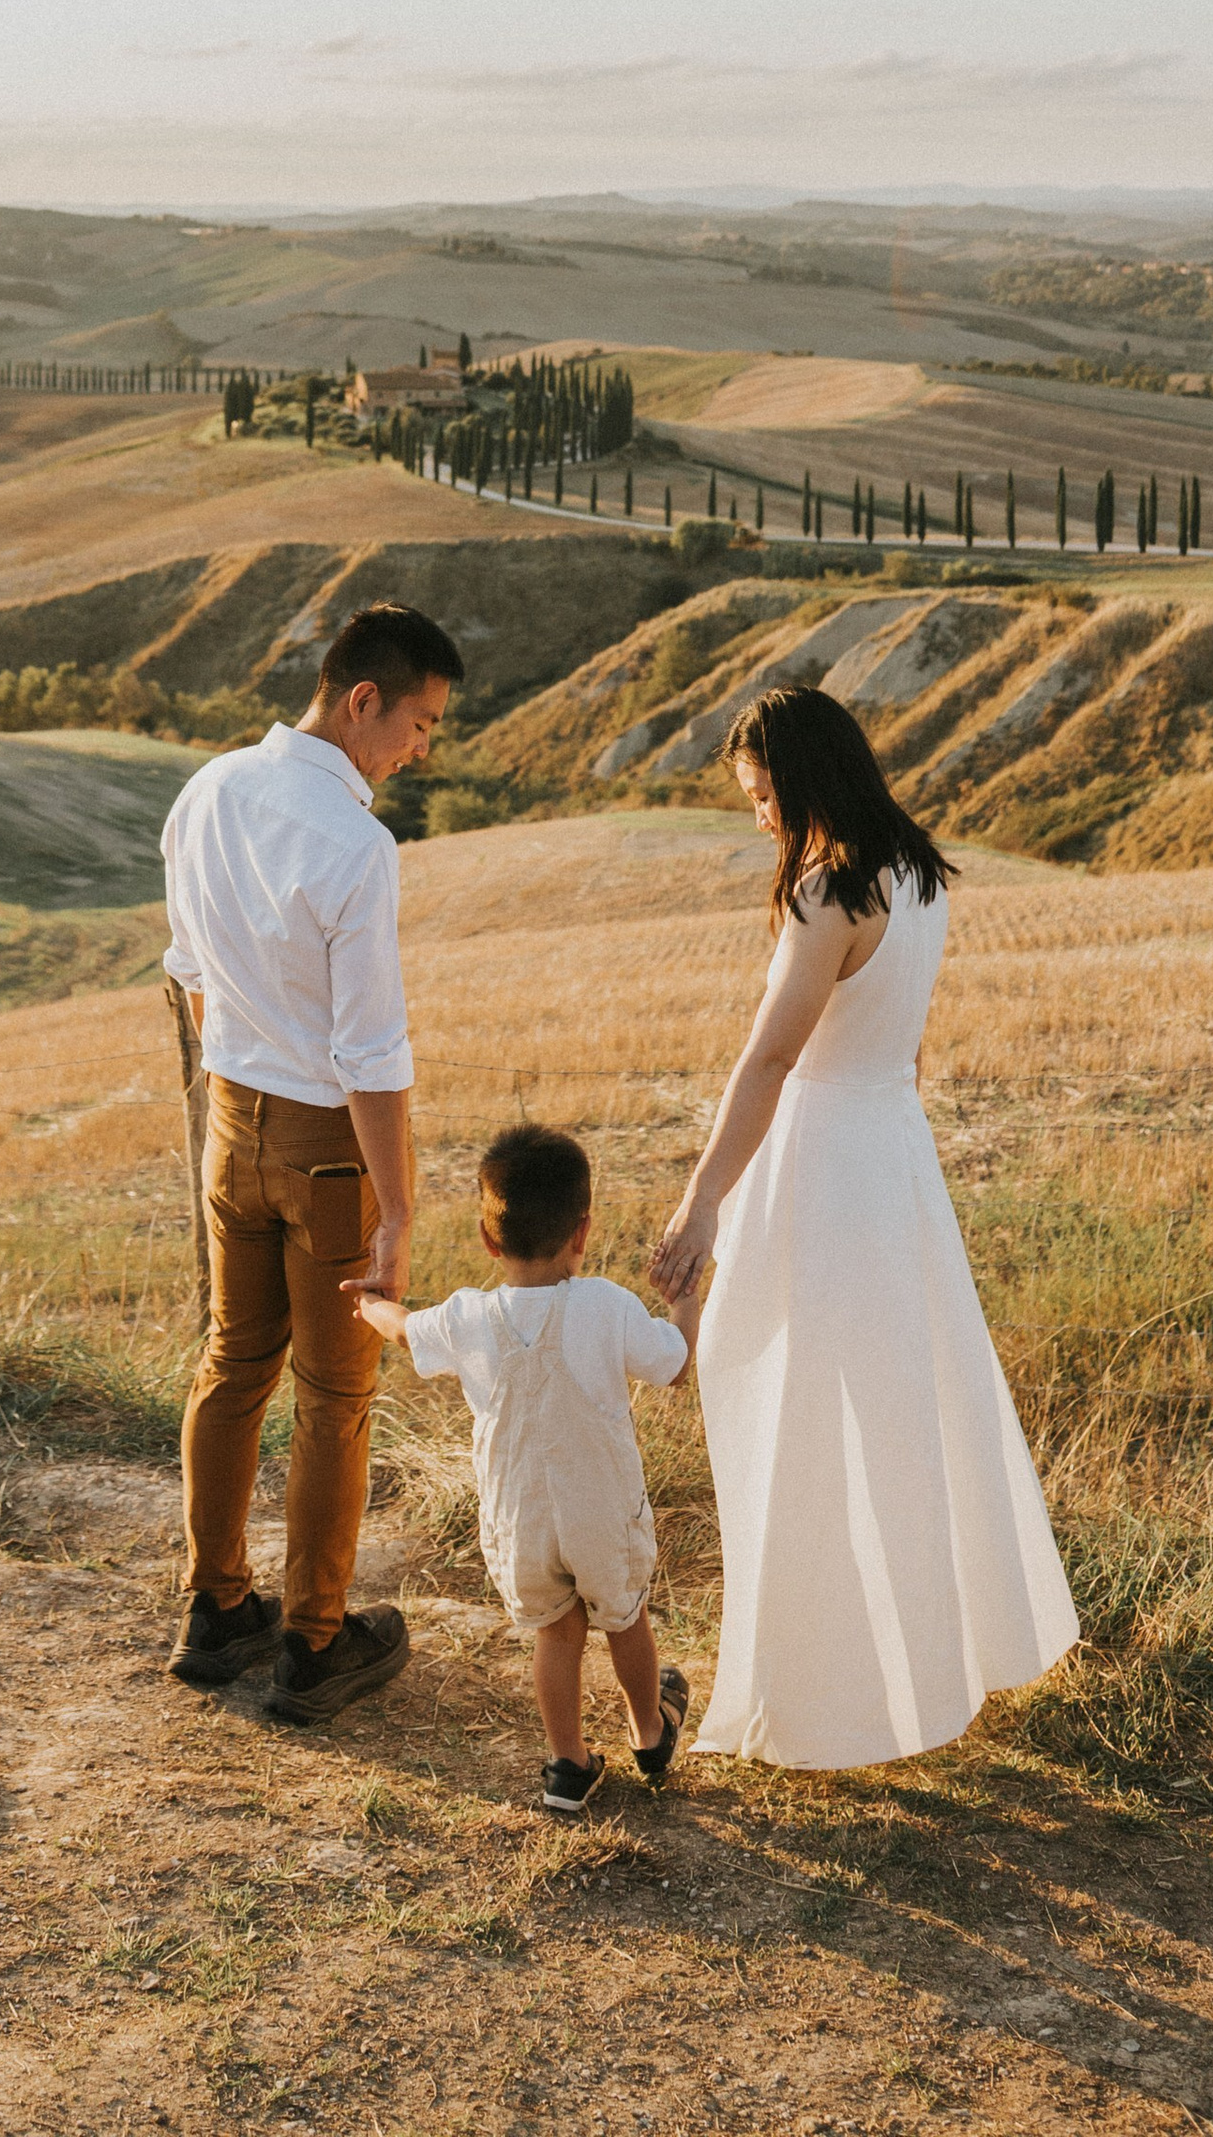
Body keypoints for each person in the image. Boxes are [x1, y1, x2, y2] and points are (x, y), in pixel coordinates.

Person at [649, 683, 1078, 1768]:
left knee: (789, 1413)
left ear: (800, 783)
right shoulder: (916, 870)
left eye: (760, 797)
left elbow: (770, 1058)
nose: (756, 817)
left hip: (822, 1165)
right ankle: (922, 1665)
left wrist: (699, 1205)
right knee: (905, 1413)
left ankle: (819, 1696)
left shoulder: (829, 893)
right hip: (893, 1153)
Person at [162, 598, 463, 1725]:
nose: (421, 749)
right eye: (420, 724)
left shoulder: (208, 791)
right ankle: (313, 1641)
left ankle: (213, 1609)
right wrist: (397, 1207)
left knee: (232, 1363)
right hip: (325, 1144)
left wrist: (235, 1086)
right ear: (362, 699)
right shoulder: (356, 844)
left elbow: (190, 973)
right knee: (336, 1395)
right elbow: (371, 1052)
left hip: (228, 1118)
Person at [362, 1123, 698, 1817]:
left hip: (520, 1519)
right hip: (602, 1512)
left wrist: (369, 1300)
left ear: (489, 1241)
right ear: (582, 1231)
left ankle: (568, 1766)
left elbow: (402, 1328)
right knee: (625, 1618)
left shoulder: (467, 1317)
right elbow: (677, 1365)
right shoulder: (604, 1305)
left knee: (556, 1631)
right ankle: (649, 1730)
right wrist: (684, 1299)